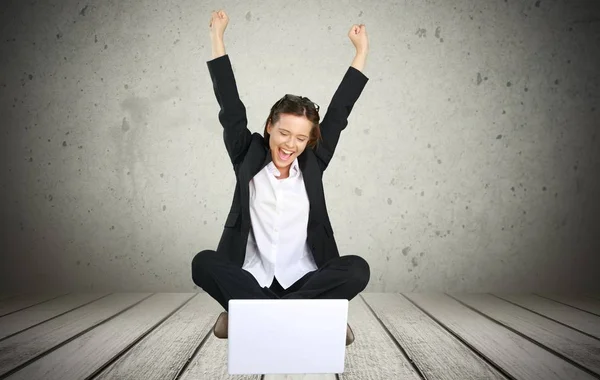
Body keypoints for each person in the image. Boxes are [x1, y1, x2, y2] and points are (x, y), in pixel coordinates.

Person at [192, 10, 371, 346]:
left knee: (357, 268)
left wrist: (360, 53)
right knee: (202, 263)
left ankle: (250, 318)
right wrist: (217, 38)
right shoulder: (247, 154)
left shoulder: (315, 162)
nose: (291, 144)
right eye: (284, 133)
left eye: (301, 138)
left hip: (305, 281)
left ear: (310, 141)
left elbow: (338, 114)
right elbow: (230, 107)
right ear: (269, 127)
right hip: (252, 280)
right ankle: (314, 320)